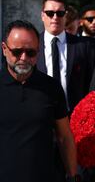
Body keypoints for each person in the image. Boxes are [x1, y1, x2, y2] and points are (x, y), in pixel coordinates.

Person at [0, 20, 78, 182]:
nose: (23, 58)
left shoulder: (51, 87)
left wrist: (73, 176)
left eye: (30, 52)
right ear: (4, 49)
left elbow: (64, 137)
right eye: (17, 52)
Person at [37, 0, 95, 113]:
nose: (55, 17)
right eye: (50, 13)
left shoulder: (83, 46)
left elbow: (92, 82)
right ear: (42, 15)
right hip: (41, 116)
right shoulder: (32, 45)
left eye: (60, 13)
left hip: (74, 116)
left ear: (65, 15)